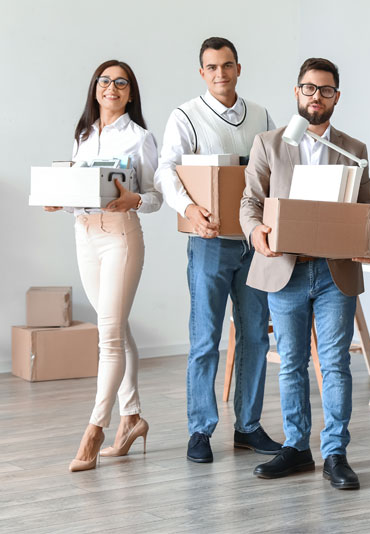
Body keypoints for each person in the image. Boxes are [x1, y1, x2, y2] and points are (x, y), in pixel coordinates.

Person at [240, 57, 370, 490]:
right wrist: (257, 231)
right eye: (308, 88)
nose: (315, 96)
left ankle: (335, 453)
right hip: (287, 269)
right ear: (296, 92)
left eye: (324, 90)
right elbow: (250, 203)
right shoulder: (269, 143)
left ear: (336, 96)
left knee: (336, 364)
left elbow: (365, 207)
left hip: (334, 272)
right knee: (292, 364)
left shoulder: (352, 149)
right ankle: (297, 447)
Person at [154, 37, 279, 463]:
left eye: (227, 66)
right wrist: (188, 208)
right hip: (208, 241)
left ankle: (248, 426)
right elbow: (166, 169)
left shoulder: (261, 115)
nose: (220, 74)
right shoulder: (186, 115)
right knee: (205, 338)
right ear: (202, 72)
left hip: (254, 242)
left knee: (255, 337)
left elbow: (275, 169)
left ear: (238, 69)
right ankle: (200, 430)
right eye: (212, 67)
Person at [45, 60, 162, 472]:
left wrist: (135, 200)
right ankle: (132, 417)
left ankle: (94, 430)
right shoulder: (83, 134)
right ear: (95, 88)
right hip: (84, 233)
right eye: (104, 81)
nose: (111, 87)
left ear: (131, 93)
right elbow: (80, 189)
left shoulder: (140, 137)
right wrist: (60, 198)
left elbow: (154, 197)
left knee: (108, 336)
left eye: (121, 83)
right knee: (118, 327)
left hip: (119, 237)